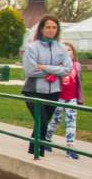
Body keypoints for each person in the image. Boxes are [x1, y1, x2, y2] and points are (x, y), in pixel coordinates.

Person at [21, 15, 72, 155]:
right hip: (33, 92)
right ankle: (37, 153)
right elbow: (30, 70)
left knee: (42, 125)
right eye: (48, 27)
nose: (51, 30)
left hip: (53, 92)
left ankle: (35, 153)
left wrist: (45, 67)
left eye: (54, 27)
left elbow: (68, 69)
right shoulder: (32, 48)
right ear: (42, 29)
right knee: (42, 123)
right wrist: (56, 70)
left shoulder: (61, 48)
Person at [45, 41, 84, 159]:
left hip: (72, 99)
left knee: (71, 123)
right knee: (55, 121)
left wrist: (80, 99)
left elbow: (80, 83)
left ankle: (70, 148)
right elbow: (49, 80)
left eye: (69, 50)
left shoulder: (77, 66)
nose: (66, 52)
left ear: (73, 52)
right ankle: (46, 139)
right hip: (59, 99)